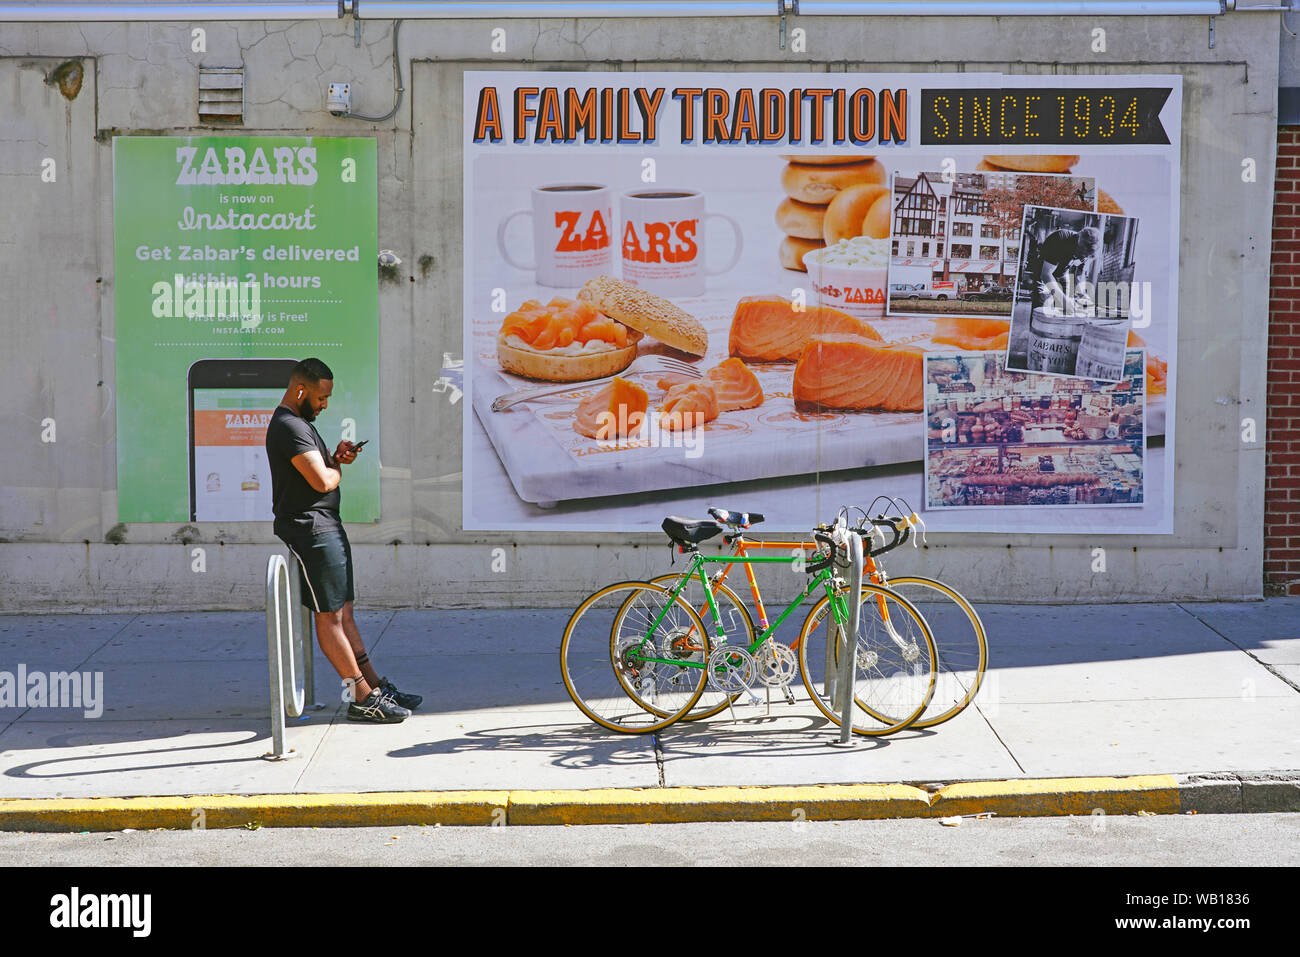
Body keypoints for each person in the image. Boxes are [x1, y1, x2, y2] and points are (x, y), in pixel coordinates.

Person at [265, 358, 421, 723]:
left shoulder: (300, 424)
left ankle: (373, 685)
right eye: (321, 398)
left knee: (343, 610)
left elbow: (317, 473)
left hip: (324, 526)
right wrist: (335, 468)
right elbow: (321, 482)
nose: (325, 405)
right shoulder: (288, 426)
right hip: (310, 529)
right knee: (330, 615)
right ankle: (361, 696)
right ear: (301, 390)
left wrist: (334, 459)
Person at [1034, 224, 1102, 307]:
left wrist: (1080, 295)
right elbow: (1046, 274)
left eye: (1084, 256)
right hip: (1043, 272)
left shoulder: (1086, 252)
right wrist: (1063, 300)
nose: (1080, 257)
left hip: (1062, 273)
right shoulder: (1060, 238)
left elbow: (1079, 275)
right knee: (1042, 307)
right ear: (1078, 239)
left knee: (1066, 308)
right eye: (1080, 253)